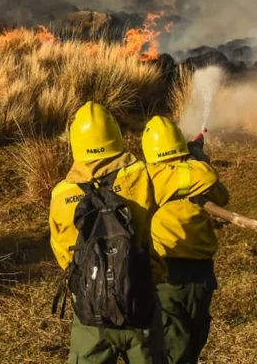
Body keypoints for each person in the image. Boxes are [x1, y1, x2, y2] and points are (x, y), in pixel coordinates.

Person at [49, 101, 166, 364]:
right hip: (139, 302)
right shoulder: (141, 175)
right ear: (114, 133)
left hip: (91, 313)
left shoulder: (61, 195)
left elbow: (62, 252)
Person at [141, 116, 229, 364]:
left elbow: (221, 196)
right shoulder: (159, 176)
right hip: (168, 272)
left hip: (198, 272)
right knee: (176, 345)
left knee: (193, 336)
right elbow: (209, 178)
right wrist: (196, 160)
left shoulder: (161, 173)